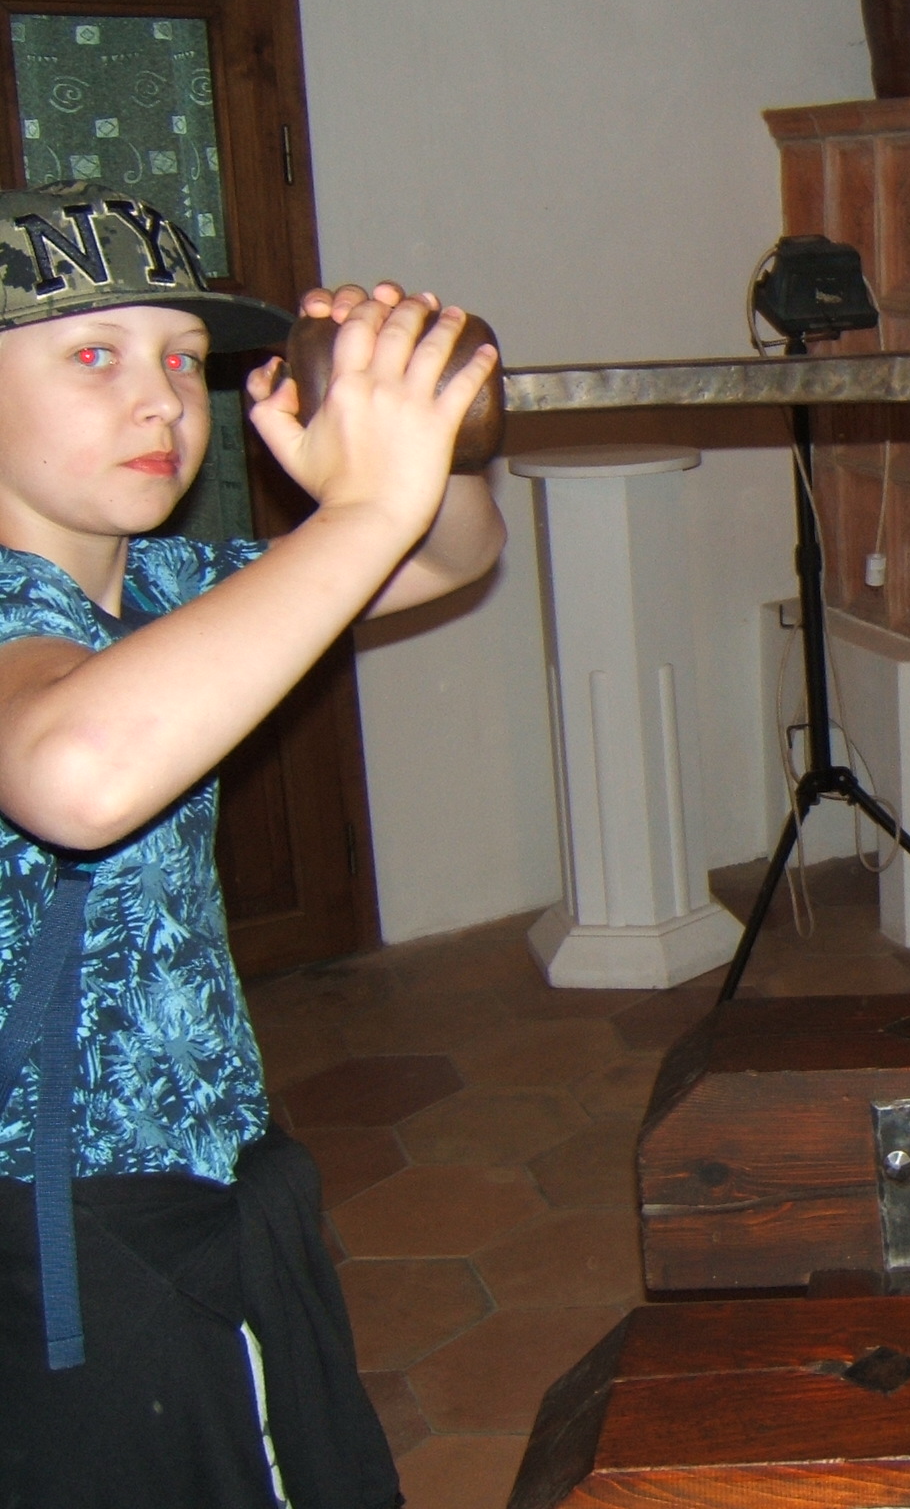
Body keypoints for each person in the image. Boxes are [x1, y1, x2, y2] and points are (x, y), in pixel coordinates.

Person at [0, 184, 505, 1508]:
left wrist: (417, 441)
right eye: (94, 356)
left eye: (182, 360)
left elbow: (456, 555)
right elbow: (75, 772)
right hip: (64, 1231)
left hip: (218, 1171)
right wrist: (359, 513)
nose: (161, 402)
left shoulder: (167, 587)